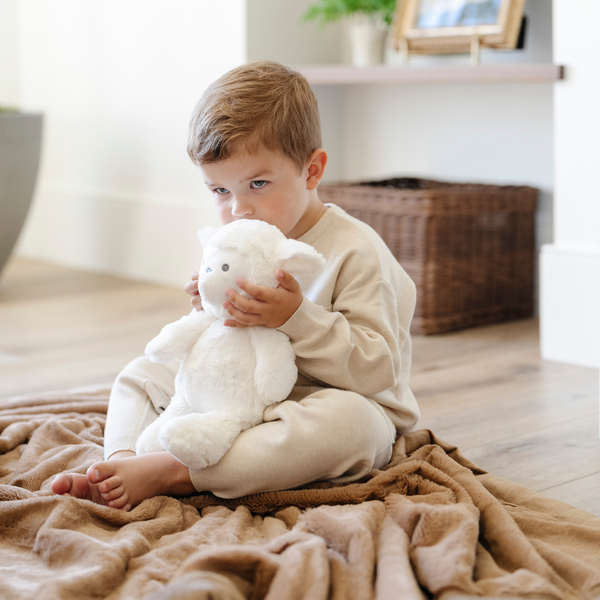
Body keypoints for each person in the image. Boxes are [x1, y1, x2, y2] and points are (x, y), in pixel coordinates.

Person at [52, 60, 420, 511]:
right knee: (143, 372)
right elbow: (217, 349)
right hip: (235, 396)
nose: (238, 209)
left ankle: (177, 471)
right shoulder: (237, 241)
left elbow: (376, 369)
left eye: (258, 183)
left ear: (312, 170)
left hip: (318, 401)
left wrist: (295, 319)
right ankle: (122, 463)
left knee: (352, 425)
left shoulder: (356, 251)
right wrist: (209, 315)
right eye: (219, 191)